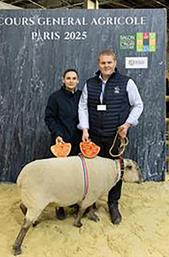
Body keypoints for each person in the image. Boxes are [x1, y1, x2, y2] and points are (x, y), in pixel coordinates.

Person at [78, 49, 143, 224]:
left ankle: (113, 204)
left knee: (116, 171)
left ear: (115, 63)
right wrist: (84, 129)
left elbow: (138, 105)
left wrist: (128, 124)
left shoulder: (126, 82)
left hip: (116, 136)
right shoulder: (89, 84)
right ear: (98, 64)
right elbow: (83, 107)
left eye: (109, 62)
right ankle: (89, 204)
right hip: (94, 136)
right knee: (92, 171)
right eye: (103, 63)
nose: (106, 65)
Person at [44, 68, 82, 220]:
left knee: (75, 175)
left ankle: (74, 202)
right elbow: (49, 118)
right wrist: (58, 134)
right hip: (61, 141)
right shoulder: (55, 97)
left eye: (74, 78)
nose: (71, 81)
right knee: (60, 176)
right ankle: (59, 206)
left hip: (79, 141)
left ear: (78, 81)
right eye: (68, 78)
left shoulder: (82, 96)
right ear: (63, 80)